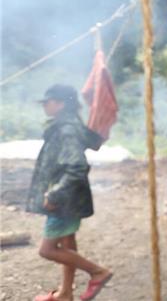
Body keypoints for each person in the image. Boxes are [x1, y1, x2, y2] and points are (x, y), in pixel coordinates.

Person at [27, 85, 113, 301]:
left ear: (61, 104)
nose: (45, 106)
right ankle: (65, 294)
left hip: (64, 200)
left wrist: (54, 195)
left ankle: (98, 272)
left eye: (48, 102)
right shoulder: (68, 126)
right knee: (67, 242)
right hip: (70, 198)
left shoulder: (66, 130)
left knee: (47, 250)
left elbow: (76, 167)